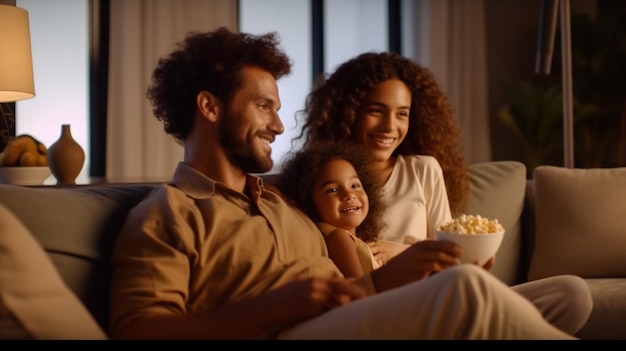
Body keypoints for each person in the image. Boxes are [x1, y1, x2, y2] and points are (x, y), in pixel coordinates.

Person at [108, 27, 576, 340]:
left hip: (351, 318)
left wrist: (409, 268)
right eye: (263, 107)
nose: (277, 125)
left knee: (562, 294)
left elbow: (358, 285)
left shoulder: (282, 202)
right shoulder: (168, 213)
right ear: (210, 108)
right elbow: (139, 330)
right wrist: (273, 308)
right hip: (289, 332)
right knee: (468, 296)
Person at [295, 51, 593, 335]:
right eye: (376, 111)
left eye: (402, 114)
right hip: (392, 307)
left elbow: (449, 250)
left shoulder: (423, 169)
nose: (390, 126)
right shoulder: (325, 181)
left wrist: (417, 254)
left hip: (444, 292)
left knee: (571, 293)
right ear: (349, 113)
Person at [277, 141, 387, 277]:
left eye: (355, 185)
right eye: (333, 190)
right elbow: (360, 287)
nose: (349, 195)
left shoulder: (350, 238)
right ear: (307, 200)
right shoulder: (339, 237)